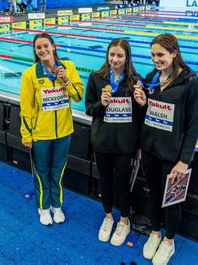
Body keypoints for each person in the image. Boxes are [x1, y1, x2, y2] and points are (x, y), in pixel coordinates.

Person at [133, 34, 198, 265]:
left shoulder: (191, 82)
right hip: (151, 150)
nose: (156, 59)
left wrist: (184, 160)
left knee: (171, 201)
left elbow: (194, 126)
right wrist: (143, 104)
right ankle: (154, 232)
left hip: (175, 156)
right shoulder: (152, 78)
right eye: (153, 55)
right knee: (153, 194)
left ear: (174, 53)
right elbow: (148, 114)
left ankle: (169, 241)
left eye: (161, 55)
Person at [20, 33, 84, 226]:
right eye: (38, 48)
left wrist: (65, 80)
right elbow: (26, 107)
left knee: (58, 171)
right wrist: (26, 133)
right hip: (40, 133)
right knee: (41, 172)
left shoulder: (69, 67)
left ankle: (57, 205)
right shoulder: (30, 74)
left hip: (64, 132)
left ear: (53, 46)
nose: (43, 50)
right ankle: (43, 207)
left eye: (46, 46)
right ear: (35, 51)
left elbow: (78, 95)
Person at [85, 39, 142, 246]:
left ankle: (124, 220)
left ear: (127, 57)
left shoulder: (135, 81)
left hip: (126, 145)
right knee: (105, 181)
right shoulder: (96, 78)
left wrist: (141, 103)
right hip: (102, 141)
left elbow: (142, 114)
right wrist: (102, 103)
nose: (115, 59)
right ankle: (108, 216)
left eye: (119, 56)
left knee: (122, 183)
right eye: (112, 55)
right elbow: (89, 109)